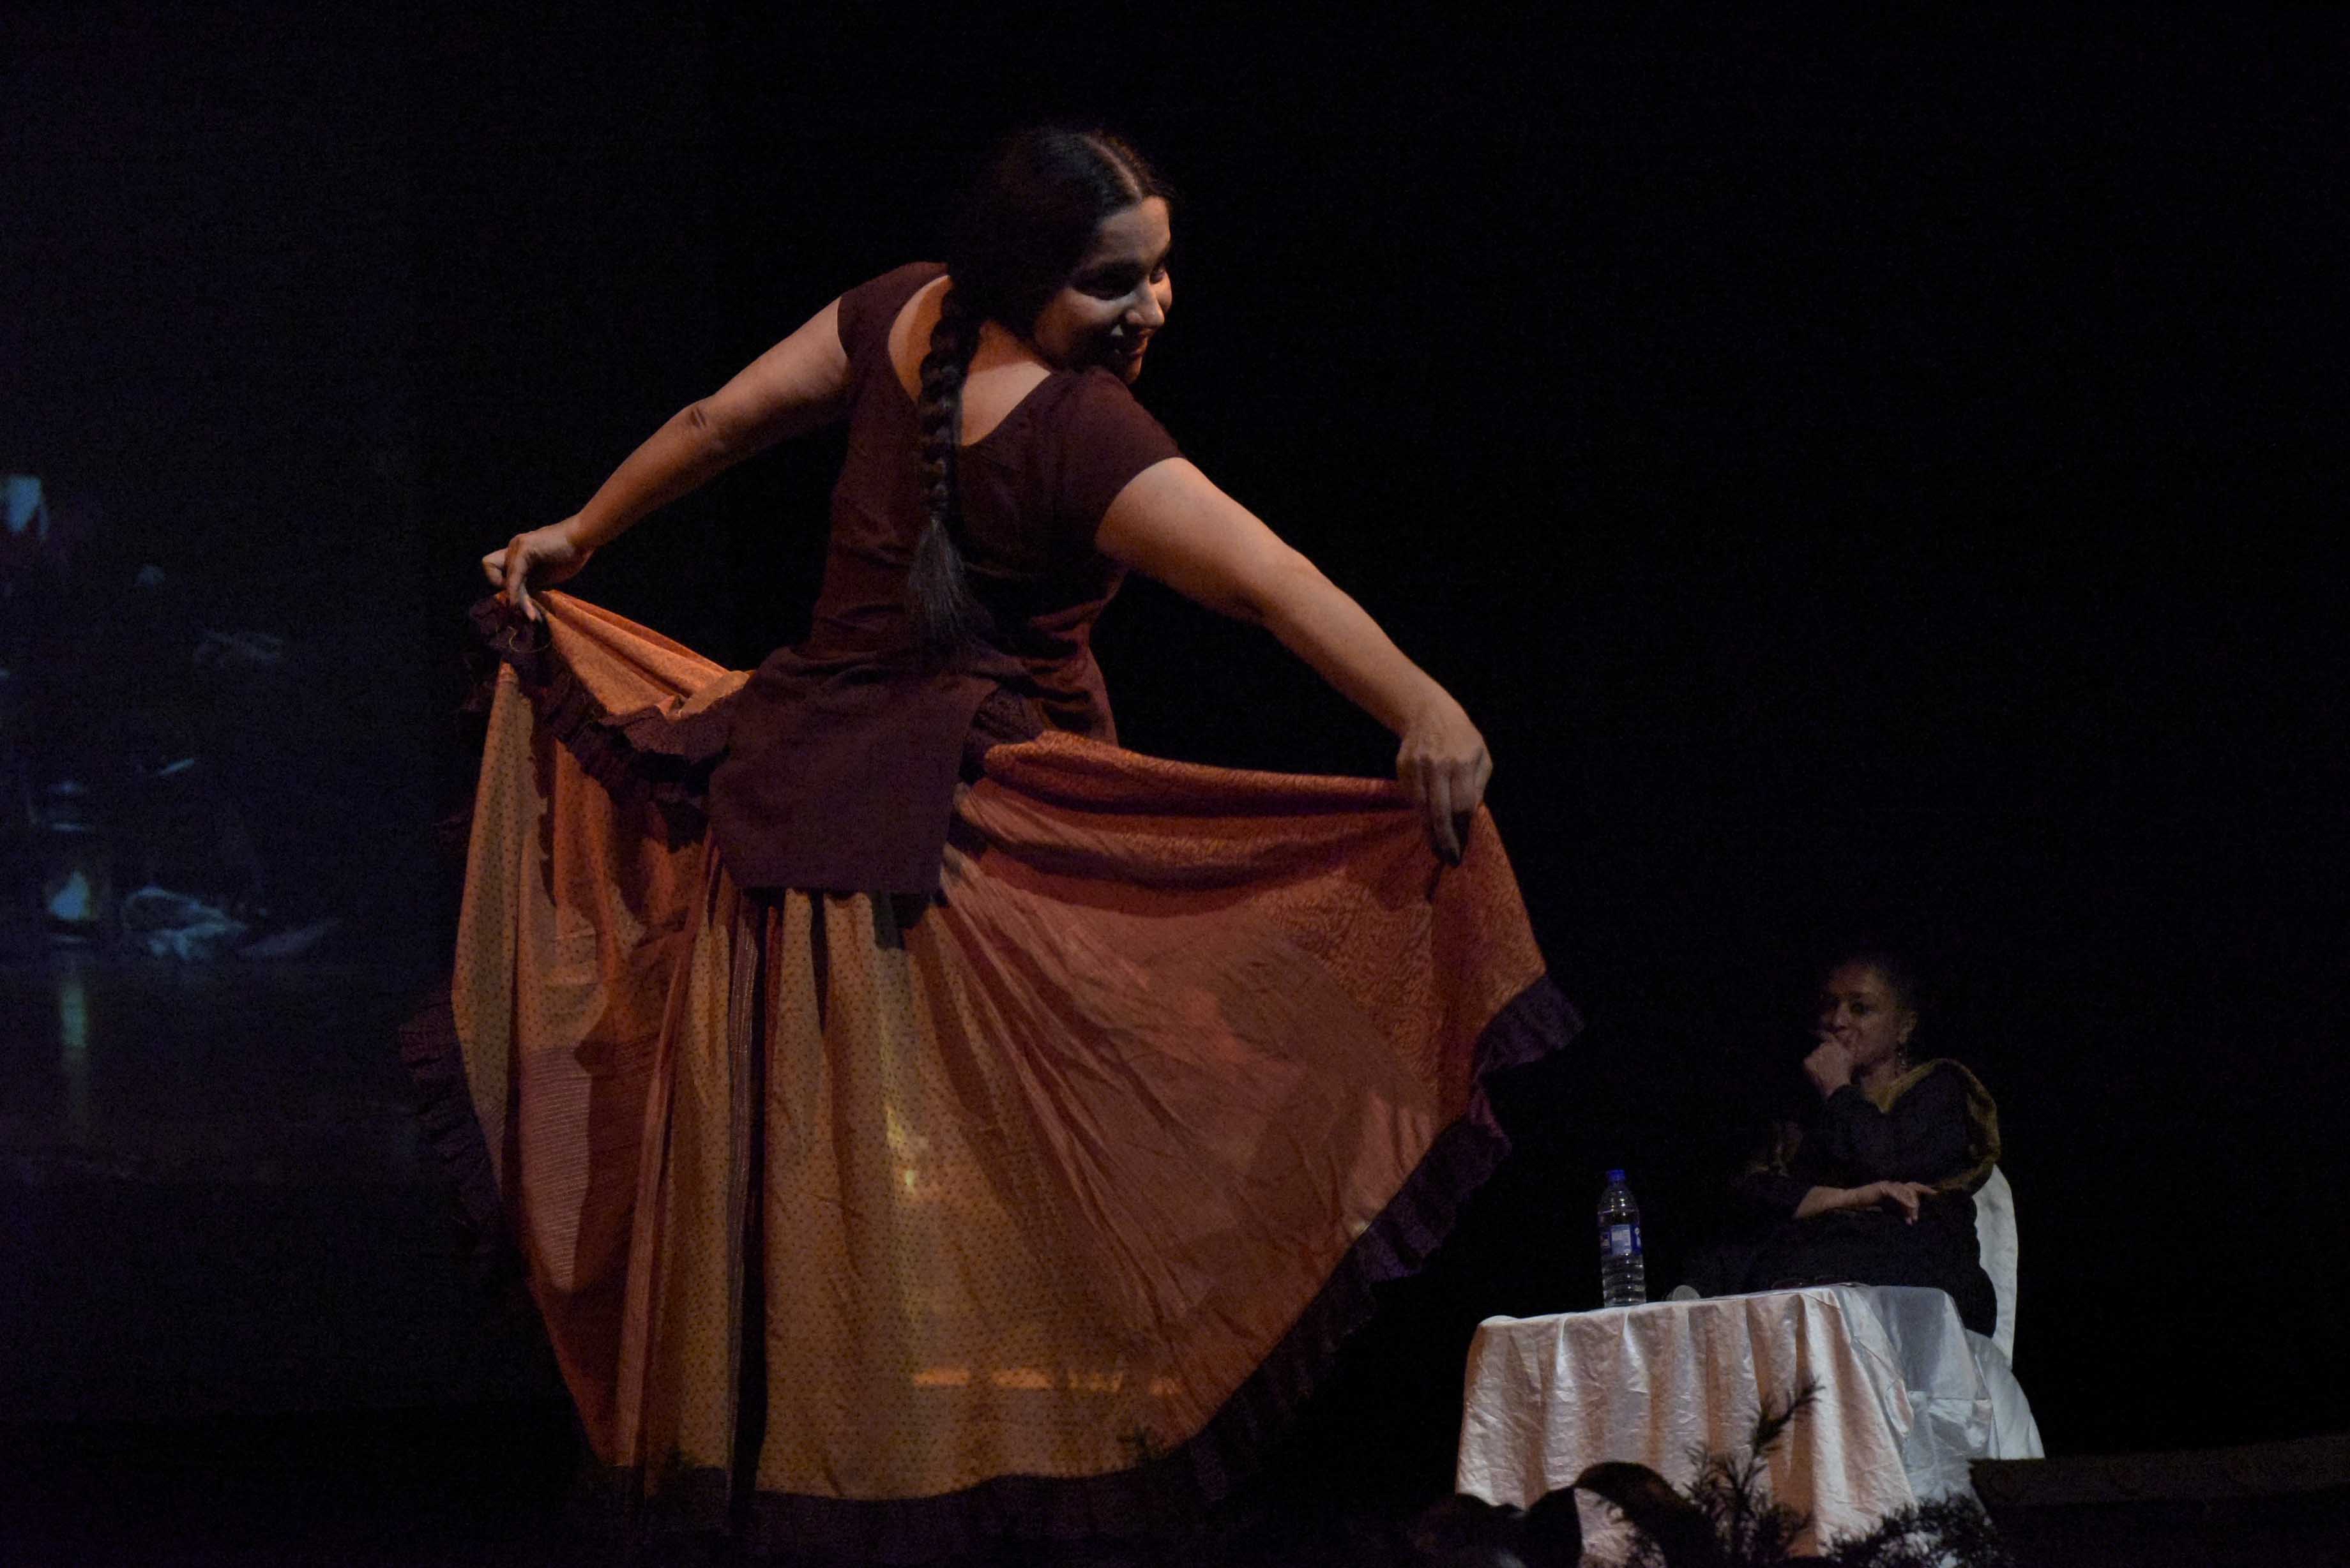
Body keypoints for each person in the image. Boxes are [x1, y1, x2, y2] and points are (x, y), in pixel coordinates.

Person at [413, 127, 1574, 1559]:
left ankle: (839, 1495)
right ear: (1024, 279)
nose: (1152, 307)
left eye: (1161, 272)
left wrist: (582, 531)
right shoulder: (1083, 432)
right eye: (1112, 283)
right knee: (1013, 1213)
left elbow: (717, 423)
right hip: (960, 864)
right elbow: (1268, 581)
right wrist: (1422, 702)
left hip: (783, 828)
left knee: (835, 1227)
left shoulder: (899, 309)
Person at [1691, 951, 2000, 1335]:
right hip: (1818, 1258)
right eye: (1829, 1005)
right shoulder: (1805, 1107)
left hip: (1913, 1267)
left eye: (1860, 1008)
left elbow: (1885, 1161)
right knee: (1729, 1253)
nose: (1837, 1021)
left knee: (1823, 1260)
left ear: (1905, 1027)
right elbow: (1752, 1188)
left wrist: (1839, 1087)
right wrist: (1847, 1198)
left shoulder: (1941, 1089)